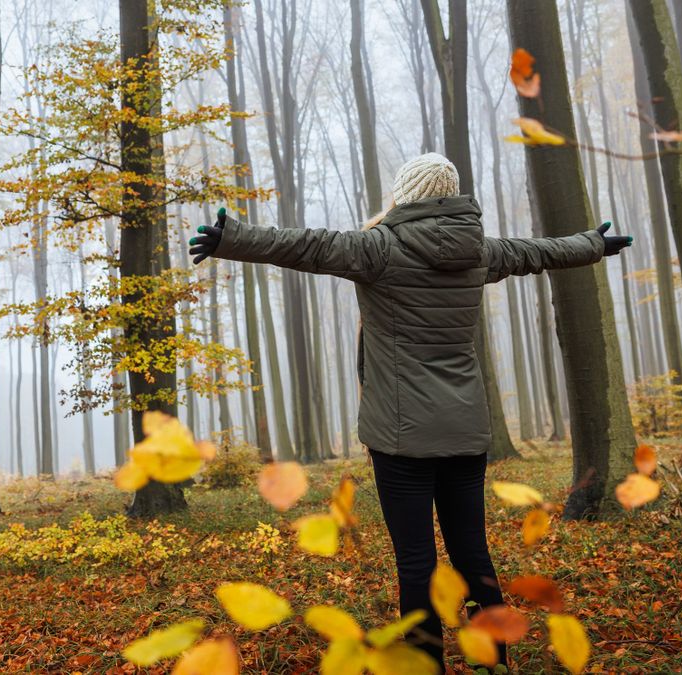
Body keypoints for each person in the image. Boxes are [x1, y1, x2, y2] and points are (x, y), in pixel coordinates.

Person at [189, 152, 632, 667]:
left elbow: (305, 246)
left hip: (401, 438)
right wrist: (593, 245)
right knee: (472, 552)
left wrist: (231, 238)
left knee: (416, 563)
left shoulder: (379, 248)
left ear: (405, 194)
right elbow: (539, 252)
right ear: (450, 195)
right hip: (465, 429)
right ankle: (497, 659)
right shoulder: (479, 251)